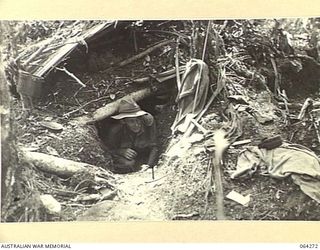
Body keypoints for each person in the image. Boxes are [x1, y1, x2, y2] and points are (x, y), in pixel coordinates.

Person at [105, 98, 159, 174]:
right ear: (123, 121)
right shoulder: (115, 131)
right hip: (128, 159)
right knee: (129, 164)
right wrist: (121, 151)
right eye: (131, 121)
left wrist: (149, 165)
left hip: (144, 154)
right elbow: (107, 150)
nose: (137, 124)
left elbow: (154, 146)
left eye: (138, 119)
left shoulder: (148, 121)